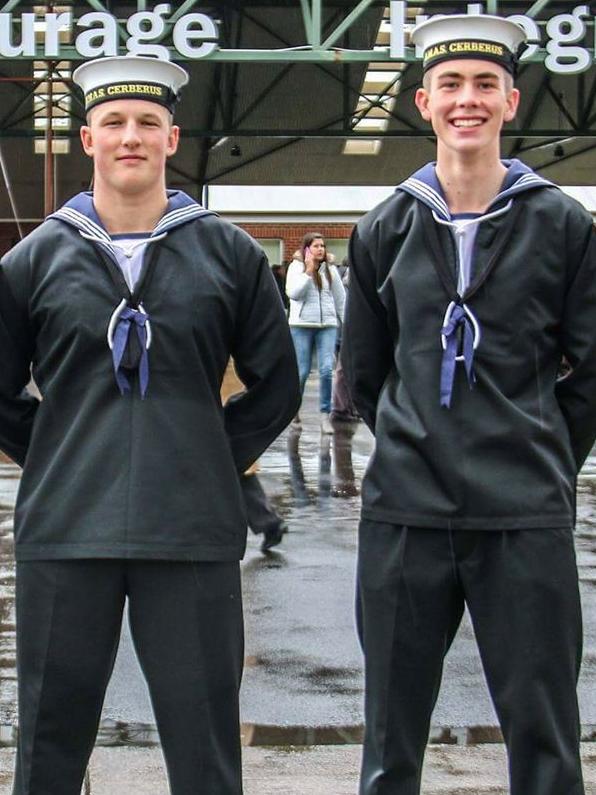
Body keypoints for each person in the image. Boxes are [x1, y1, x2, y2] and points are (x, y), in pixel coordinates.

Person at [0, 54, 300, 795]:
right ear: (88, 139)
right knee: (48, 747)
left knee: (204, 754)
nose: (129, 136)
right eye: (113, 123)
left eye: (147, 123)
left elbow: (278, 384)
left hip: (190, 532)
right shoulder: (33, 261)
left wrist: (204, 454)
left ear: (171, 139)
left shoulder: (228, 253)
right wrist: (59, 456)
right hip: (68, 531)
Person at [342, 14, 596, 795]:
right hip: (406, 516)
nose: (468, 100)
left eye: (486, 84)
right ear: (424, 100)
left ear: (511, 101)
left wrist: (540, 447)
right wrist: (420, 440)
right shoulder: (385, 226)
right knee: (390, 741)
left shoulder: (563, 223)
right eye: (451, 84)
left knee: (545, 738)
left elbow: (590, 369)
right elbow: (368, 371)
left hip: (522, 512)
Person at [285, 233, 345, 434]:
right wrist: (308, 273)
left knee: (327, 369)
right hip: (301, 325)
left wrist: (346, 322)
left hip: (327, 325)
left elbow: (339, 298)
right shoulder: (296, 267)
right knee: (301, 372)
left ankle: (324, 416)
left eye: (323, 245)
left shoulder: (330, 269)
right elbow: (293, 294)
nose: (321, 249)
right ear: (307, 248)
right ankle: (294, 411)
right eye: (316, 245)